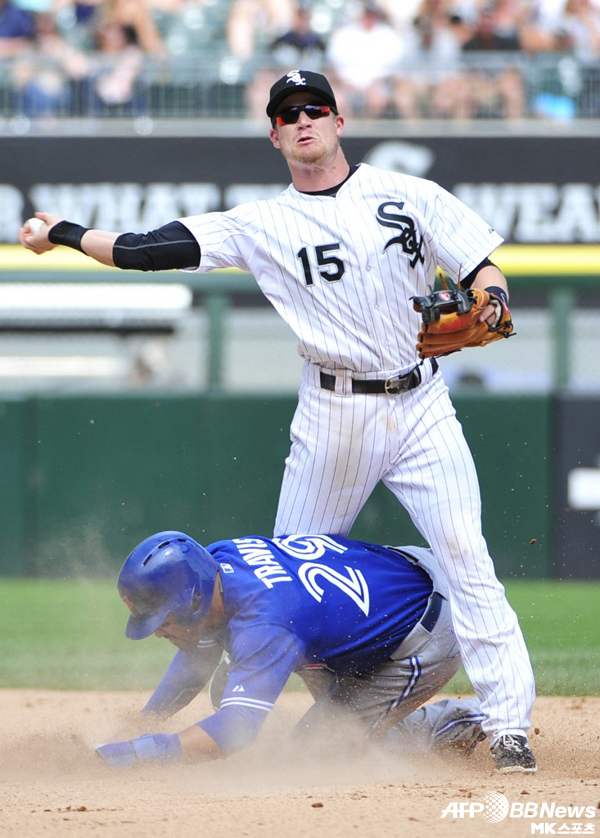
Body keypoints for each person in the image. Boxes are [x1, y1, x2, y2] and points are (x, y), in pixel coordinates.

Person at [19, 67, 537, 773]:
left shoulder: (409, 194)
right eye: (288, 113)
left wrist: (494, 304)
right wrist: (62, 231)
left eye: (315, 109)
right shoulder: (259, 223)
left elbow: (484, 270)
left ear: (338, 121)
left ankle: (508, 727)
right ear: (274, 135)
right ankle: (337, 721)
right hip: (331, 414)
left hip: (421, 406)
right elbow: (143, 249)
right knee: (284, 578)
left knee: (467, 559)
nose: (303, 121)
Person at [95, 529, 488, 767]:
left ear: (194, 600)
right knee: (329, 719)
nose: (160, 633)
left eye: (163, 621)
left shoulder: (266, 623)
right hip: (401, 577)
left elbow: (236, 731)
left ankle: (456, 720)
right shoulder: (216, 560)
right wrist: (141, 726)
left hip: (426, 630)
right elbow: (193, 664)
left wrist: (133, 754)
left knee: (319, 751)